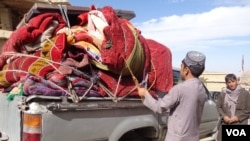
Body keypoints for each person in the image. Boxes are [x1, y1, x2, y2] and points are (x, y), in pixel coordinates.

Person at [138, 51, 207, 141]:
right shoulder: (202, 89)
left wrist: (145, 94)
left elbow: (159, 107)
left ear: (186, 70)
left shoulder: (180, 89)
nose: (181, 69)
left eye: (181, 66)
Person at [216, 73, 250, 141]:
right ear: (226, 83)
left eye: (233, 81)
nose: (231, 84)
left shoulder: (245, 94)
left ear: (236, 81)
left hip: (240, 124)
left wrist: (238, 117)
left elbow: (248, 109)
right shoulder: (223, 94)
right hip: (226, 123)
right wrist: (224, 116)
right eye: (229, 82)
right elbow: (219, 107)